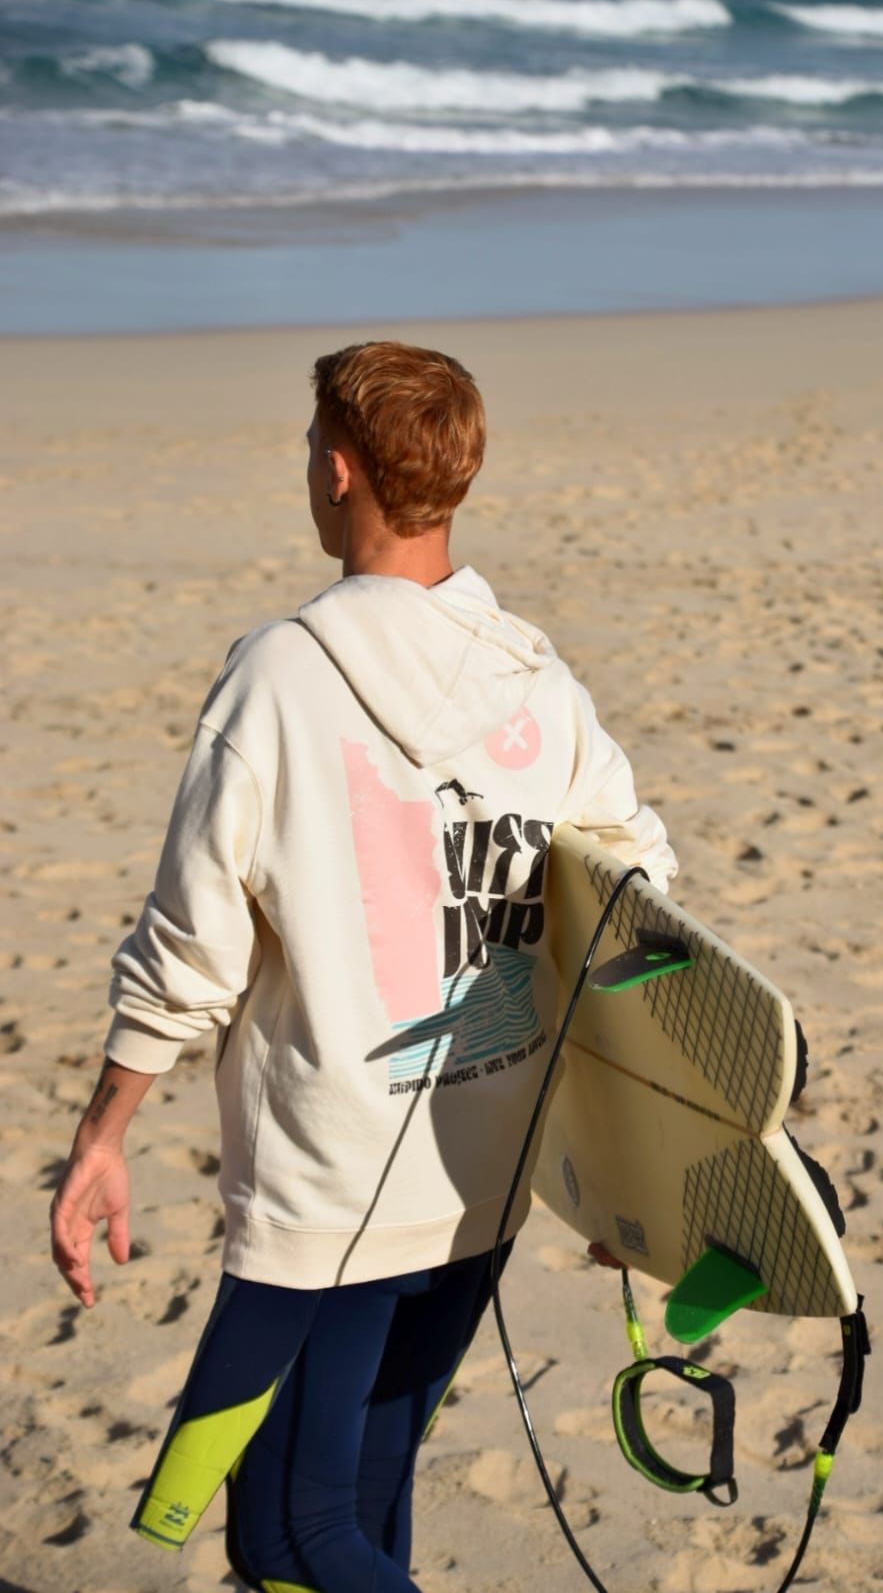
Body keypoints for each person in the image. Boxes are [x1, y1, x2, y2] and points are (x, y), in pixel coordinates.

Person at [49, 341, 676, 1592]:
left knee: (287, 1536)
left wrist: (103, 1136)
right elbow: (637, 905)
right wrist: (623, 1164)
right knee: (366, 1506)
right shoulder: (536, 680)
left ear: (338, 472)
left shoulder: (280, 675)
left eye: (306, 448)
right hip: (484, 1170)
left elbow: (189, 949)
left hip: (327, 1198)